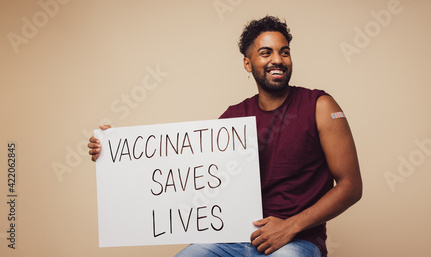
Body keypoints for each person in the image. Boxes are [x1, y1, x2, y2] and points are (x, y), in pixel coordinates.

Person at [88, 15, 362, 257]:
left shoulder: (320, 106)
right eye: (266, 53)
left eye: (284, 52)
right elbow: (182, 173)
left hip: (295, 241)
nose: (277, 60)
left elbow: (351, 186)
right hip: (231, 239)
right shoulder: (234, 118)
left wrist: (289, 227)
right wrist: (115, 154)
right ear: (247, 63)